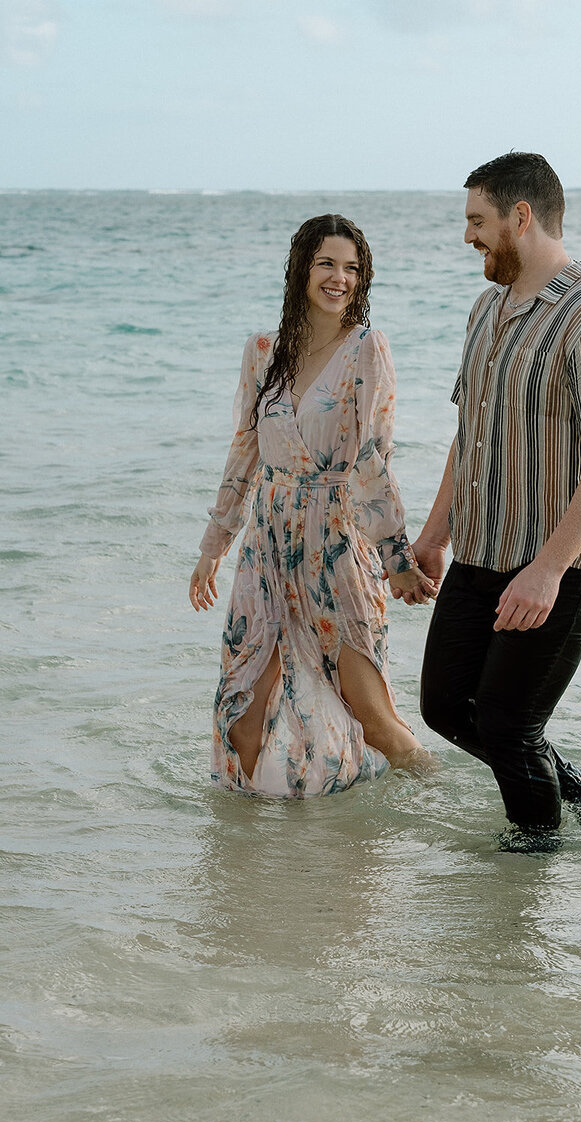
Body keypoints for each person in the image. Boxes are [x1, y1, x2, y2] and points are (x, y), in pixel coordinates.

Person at [404, 152, 581, 845]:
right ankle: (576, 791)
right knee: (446, 706)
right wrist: (433, 535)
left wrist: (547, 569)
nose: (468, 236)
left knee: (510, 724)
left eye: (477, 221)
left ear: (521, 216)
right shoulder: (486, 310)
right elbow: (469, 433)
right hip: (484, 549)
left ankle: (528, 872)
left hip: (565, 559)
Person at [190, 214, 436, 798]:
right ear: (301, 268)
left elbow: (372, 458)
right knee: (245, 712)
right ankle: (248, 862)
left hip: (334, 547)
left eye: (352, 268)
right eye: (327, 263)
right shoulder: (261, 352)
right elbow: (244, 453)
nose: (339, 278)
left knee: (371, 713)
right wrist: (212, 549)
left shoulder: (365, 349)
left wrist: (395, 558)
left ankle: (449, 814)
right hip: (266, 550)